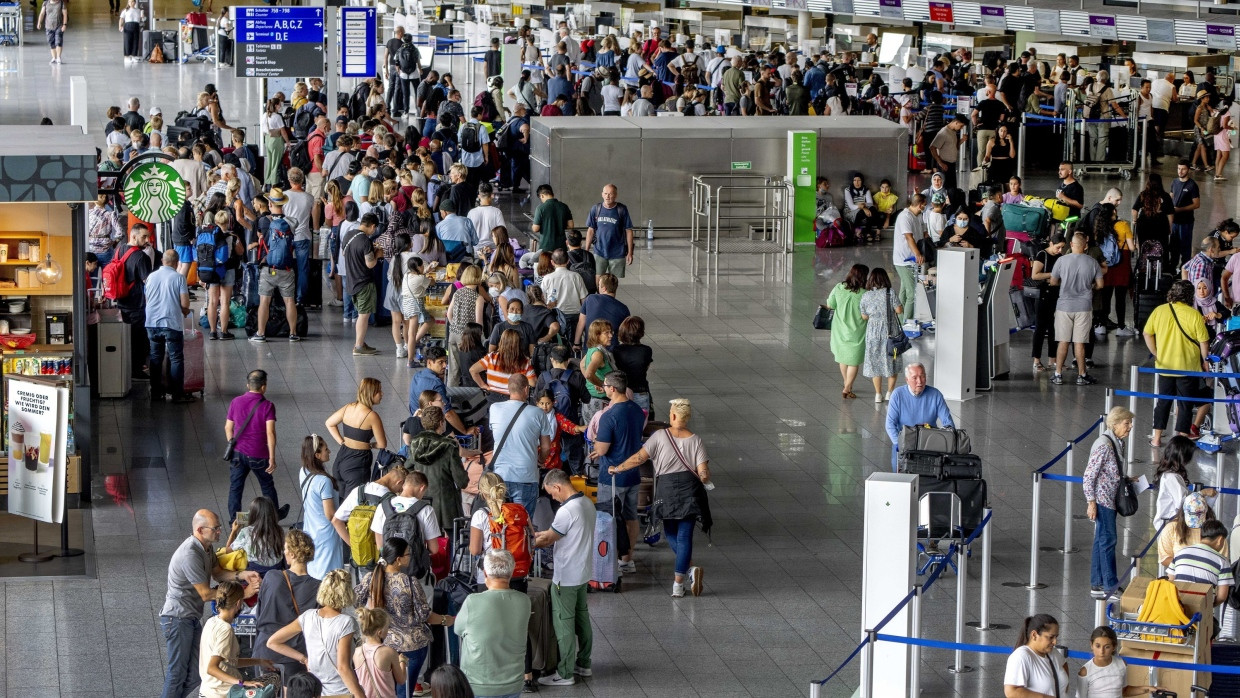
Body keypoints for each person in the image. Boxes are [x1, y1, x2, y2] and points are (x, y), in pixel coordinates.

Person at [610, 398, 712, 597]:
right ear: (688, 418)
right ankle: (679, 583)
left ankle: (688, 572)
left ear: (672, 416)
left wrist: (618, 468)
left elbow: (640, 458)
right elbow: (703, 472)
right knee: (685, 536)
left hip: (666, 490)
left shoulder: (660, 436)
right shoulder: (696, 440)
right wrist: (705, 476)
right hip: (690, 491)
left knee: (671, 532)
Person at [160, 510, 261, 698]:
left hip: (190, 617)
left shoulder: (206, 548)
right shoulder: (190, 554)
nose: (219, 531)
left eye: (219, 527)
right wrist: (242, 593)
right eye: (215, 528)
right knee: (177, 673)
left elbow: (219, 574)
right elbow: (206, 594)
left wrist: (242, 575)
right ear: (200, 529)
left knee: (196, 673)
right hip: (177, 618)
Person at [356, 538, 449, 698]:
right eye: (408, 554)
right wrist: (445, 620)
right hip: (411, 646)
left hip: (381, 644)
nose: (410, 557)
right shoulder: (410, 582)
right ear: (398, 560)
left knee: (384, 690)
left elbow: (356, 601)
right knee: (404, 691)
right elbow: (425, 615)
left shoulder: (370, 578)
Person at [533, 469, 596, 687]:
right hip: (583, 572)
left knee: (564, 624)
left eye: (551, 493)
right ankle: (583, 663)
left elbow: (548, 539)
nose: (552, 497)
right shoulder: (587, 503)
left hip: (566, 577)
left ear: (557, 487)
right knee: (582, 618)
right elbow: (556, 534)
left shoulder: (566, 511)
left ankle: (565, 673)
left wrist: (524, 541)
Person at [266, 569, 366, 697]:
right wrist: (360, 695)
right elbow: (343, 667)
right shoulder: (346, 622)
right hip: (341, 691)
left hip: (315, 690)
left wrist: (303, 659)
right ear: (348, 592)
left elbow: (272, 642)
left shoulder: (307, 617)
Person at [454, 549, 532, 698]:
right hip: (513, 682)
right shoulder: (524, 601)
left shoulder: (473, 601)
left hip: (479, 684)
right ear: (512, 572)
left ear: (485, 574)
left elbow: (458, 629)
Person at [592, 371, 646, 572]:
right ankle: (627, 559)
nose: (604, 389)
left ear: (612, 389)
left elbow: (602, 449)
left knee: (608, 517)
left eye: (605, 386)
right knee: (631, 516)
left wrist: (597, 443)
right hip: (633, 474)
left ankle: (609, 561)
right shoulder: (637, 410)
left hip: (612, 475)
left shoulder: (609, 415)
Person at [1145, 280, 1210, 446]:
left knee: (1163, 402)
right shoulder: (1194, 314)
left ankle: (1157, 438)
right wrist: (1205, 361)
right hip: (1187, 367)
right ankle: (1181, 438)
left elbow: (1147, 333)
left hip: (1165, 365)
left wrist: (1156, 353)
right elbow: (1203, 342)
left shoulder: (1159, 310)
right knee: (1185, 403)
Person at [253, 528, 321, 677]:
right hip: (295, 656)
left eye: (285, 549)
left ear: (292, 554)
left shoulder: (272, 577)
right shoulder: (319, 588)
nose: (283, 552)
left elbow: (260, 614)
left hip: (264, 652)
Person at [225, 370, 289, 524]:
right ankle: (273, 516)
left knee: (236, 487)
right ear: (263, 387)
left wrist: (232, 444)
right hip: (259, 454)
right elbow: (270, 432)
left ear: (248, 385)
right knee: (267, 485)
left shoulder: (236, 401)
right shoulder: (267, 406)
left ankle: (235, 520)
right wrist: (272, 458)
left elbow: (228, 427)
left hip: (238, 453)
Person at [1084, 406, 1134, 599]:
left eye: (1130, 423)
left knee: (1100, 541)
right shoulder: (1104, 445)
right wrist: (1091, 501)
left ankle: (1097, 583)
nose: (1129, 427)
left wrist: (1127, 479)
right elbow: (1089, 476)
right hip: (1103, 501)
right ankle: (1110, 585)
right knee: (1108, 541)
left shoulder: (1117, 442)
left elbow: (1110, 471)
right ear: (1114, 424)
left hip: (1109, 499)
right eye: (1126, 423)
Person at [486, 374, 553, 518]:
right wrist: (540, 460)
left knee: (499, 523)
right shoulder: (538, 413)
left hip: (499, 476)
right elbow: (547, 447)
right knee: (522, 525)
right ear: (526, 389)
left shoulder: (494, 408)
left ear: (508, 389)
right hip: (526, 476)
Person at [198, 581, 276, 698]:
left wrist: (259, 661)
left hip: (207, 690)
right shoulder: (225, 630)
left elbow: (229, 662)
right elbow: (212, 668)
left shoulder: (211, 621)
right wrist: (242, 683)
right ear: (239, 603)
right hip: (222, 693)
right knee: (274, 681)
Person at [1050, 233, 1104, 386]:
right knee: (1079, 343)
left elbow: (1053, 282)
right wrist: (1090, 286)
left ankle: (1058, 374)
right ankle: (1082, 375)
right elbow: (1100, 285)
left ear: (1071, 245)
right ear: (1085, 246)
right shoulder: (1093, 262)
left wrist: (1065, 283)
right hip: (1084, 306)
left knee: (1063, 341)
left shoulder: (1061, 260)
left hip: (1064, 306)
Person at [325, 377, 389, 499]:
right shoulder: (372, 416)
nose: (382, 394)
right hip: (357, 463)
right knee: (353, 505)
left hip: (341, 458)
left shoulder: (348, 407)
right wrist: (370, 445)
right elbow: (382, 444)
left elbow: (329, 423)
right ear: (371, 393)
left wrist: (342, 441)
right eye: (379, 391)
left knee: (340, 502)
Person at [406, 406, 468, 530]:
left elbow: (407, 467)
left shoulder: (415, 443)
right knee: (451, 541)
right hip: (447, 506)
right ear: (441, 423)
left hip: (421, 500)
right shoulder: (449, 446)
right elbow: (462, 482)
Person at [251, 189, 301, 343]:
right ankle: (293, 333)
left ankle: (261, 333)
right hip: (287, 268)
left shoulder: (264, 221)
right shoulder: (291, 222)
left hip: (269, 268)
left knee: (264, 302)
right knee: (289, 301)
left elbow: (263, 240)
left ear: (270, 204)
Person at [144, 248, 193, 403]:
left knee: (155, 357)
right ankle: (177, 394)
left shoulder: (151, 277)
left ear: (162, 261)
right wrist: (185, 311)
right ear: (177, 263)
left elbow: (147, 299)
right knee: (176, 358)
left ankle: (156, 393)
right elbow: (185, 303)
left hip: (152, 322)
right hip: (171, 323)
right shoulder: (178, 278)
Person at [885, 363, 955, 471]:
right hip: (905, 443)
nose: (920, 381)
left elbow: (948, 422)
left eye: (922, 376)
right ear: (907, 380)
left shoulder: (935, 395)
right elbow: (890, 424)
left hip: (929, 443)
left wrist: (949, 441)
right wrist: (898, 444)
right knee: (901, 477)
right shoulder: (897, 395)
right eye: (915, 378)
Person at [859, 268, 903, 403]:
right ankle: (889, 392)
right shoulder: (890, 293)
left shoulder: (866, 296)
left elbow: (864, 316)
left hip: (873, 334)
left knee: (875, 363)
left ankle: (878, 394)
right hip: (891, 334)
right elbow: (899, 310)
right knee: (893, 361)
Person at [1076, 625, 1157, 698]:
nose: (1101, 651)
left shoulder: (1121, 664)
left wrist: (1148, 689)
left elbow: (1124, 691)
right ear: (1091, 645)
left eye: (1107, 647)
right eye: (1098, 646)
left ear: (1114, 647)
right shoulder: (1085, 671)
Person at [826, 264, 869, 399]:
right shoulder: (865, 294)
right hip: (857, 331)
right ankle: (847, 387)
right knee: (853, 361)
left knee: (843, 358)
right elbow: (866, 315)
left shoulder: (839, 287)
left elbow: (830, 305)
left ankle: (847, 384)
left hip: (839, 330)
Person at [344, 213, 384, 355]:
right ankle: (359, 346)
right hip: (364, 282)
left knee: (361, 313)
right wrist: (378, 255)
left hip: (351, 280)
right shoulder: (365, 241)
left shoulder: (349, 235)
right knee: (364, 315)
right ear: (372, 226)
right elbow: (370, 263)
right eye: (375, 229)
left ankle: (360, 342)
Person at [1169, 518, 1234, 606]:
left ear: (1201, 537)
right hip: (1201, 608)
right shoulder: (1222, 562)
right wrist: (1210, 607)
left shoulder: (1180, 553)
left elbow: (1170, 581)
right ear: (1220, 540)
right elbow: (1222, 596)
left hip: (1176, 604)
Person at [1003, 614, 1069, 698]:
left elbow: (1064, 664)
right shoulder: (1020, 657)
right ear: (1034, 635)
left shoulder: (1053, 653)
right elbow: (1011, 692)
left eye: (1056, 637)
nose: (1055, 642)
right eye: (1051, 637)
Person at [220, 495, 285, 574]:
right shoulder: (279, 530)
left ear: (252, 514)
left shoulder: (246, 532)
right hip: (277, 570)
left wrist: (234, 531)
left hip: (256, 573)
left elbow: (228, 550)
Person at [583, 184, 635, 282]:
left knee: (612, 282)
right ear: (602, 194)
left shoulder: (622, 209)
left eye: (610, 194)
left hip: (617, 252)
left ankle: (609, 297)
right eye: (605, 193)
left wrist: (630, 252)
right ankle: (600, 297)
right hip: (599, 251)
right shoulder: (596, 209)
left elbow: (628, 231)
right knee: (597, 279)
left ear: (615, 195)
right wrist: (586, 250)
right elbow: (591, 230)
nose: (607, 196)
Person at [1030, 234, 1066, 374]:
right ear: (1051, 243)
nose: (1059, 251)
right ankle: (1036, 360)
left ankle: (1053, 359)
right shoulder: (1042, 254)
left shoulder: (1060, 257)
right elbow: (1035, 275)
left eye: (1062, 248)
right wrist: (1052, 274)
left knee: (1053, 328)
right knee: (1040, 328)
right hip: (1043, 294)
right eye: (1058, 247)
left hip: (1055, 294)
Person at [352, 608, 403, 698]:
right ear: (380, 632)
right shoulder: (389, 652)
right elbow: (401, 680)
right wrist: (402, 662)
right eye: (387, 627)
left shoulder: (356, 652)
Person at [470, 329, 536, 398]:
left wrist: (483, 386)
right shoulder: (524, 363)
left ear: (501, 342)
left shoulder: (491, 357)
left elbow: (473, 370)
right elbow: (533, 383)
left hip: (492, 397)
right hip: (512, 399)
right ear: (519, 344)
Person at [891, 195, 926, 324]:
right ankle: (908, 323)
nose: (925, 207)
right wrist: (918, 254)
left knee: (905, 291)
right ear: (920, 204)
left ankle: (900, 320)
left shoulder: (916, 217)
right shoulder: (905, 216)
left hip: (910, 260)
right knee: (912, 293)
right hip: (903, 260)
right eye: (924, 204)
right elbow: (908, 237)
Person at [575, 273, 630, 351]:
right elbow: (625, 334)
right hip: (611, 350)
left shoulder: (590, 299)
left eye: (599, 285)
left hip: (590, 348)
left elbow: (581, 323)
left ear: (603, 288)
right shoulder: (624, 308)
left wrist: (576, 343)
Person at [613, 316, 654, 415]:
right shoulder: (646, 350)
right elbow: (645, 367)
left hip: (623, 392)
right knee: (641, 425)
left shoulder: (617, 350)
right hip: (641, 392)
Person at [1171, 160, 1202, 271]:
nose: (1180, 171)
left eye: (1183, 169)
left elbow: (1196, 204)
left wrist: (1180, 209)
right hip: (1174, 220)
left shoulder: (1192, 185)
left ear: (1188, 170)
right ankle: (1172, 266)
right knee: (1174, 245)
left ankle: (1185, 268)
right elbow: (1171, 197)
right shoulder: (1174, 182)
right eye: (1179, 168)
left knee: (1185, 245)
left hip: (1186, 221)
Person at [928, 116, 968, 188]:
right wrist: (940, 163)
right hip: (944, 164)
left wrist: (962, 140)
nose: (961, 128)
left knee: (952, 188)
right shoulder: (943, 132)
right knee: (945, 188)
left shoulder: (953, 132)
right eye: (961, 126)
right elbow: (932, 147)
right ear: (956, 123)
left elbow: (954, 146)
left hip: (952, 164)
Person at [37, 0, 68, 64]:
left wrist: (64, 25)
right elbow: (42, 13)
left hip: (59, 26)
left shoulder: (61, 3)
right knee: (51, 42)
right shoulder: (45, 3)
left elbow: (65, 14)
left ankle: (58, 57)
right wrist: (39, 22)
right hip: (48, 26)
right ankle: (54, 57)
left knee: (58, 41)